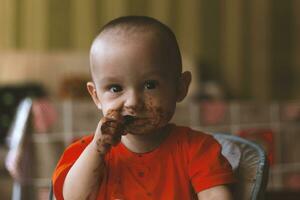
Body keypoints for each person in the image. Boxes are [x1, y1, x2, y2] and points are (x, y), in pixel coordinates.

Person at [52, 16, 235, 200]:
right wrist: (97, 149)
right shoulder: (86, 154)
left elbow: (214, 194)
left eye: (150, 85)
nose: (132, 102)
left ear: (180, 88)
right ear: (96, 96)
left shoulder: (197, 149)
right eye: (115, 88)